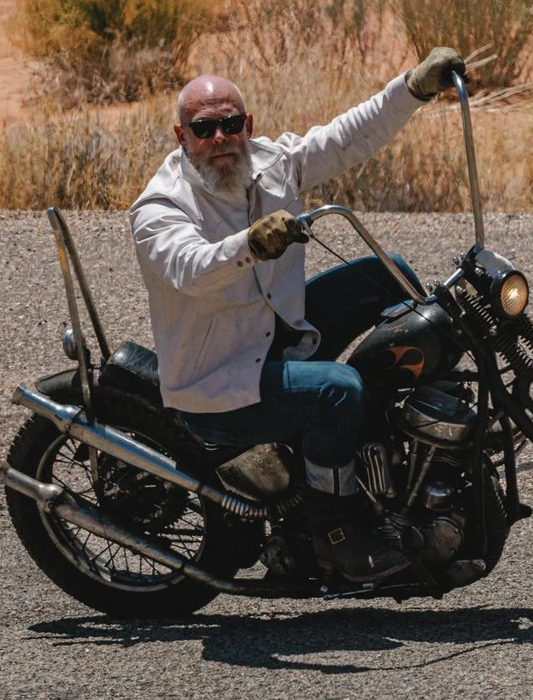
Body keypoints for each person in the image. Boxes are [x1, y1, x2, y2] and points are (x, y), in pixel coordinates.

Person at [130, 47, 466, 582]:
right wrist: (251, 244)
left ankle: (419, 422)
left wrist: (413, 88)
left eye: (231, 124)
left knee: (389, 272)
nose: (220, 139)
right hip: (219, 378)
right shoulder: (160, 207)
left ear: (248, 125)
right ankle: (335, 531)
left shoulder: (269, 163)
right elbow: (190, 267)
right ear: (181, 136)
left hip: (282, 336)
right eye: (204, 128)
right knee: (339, 392)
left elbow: (345, 136)